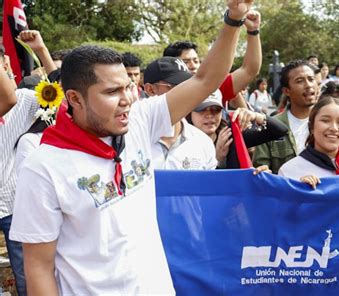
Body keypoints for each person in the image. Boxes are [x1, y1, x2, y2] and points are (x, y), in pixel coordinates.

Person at [9, 2, 253, 294]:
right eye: (112, 92)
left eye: (127, 86)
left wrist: (234, 19)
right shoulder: (42, 167)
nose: (127, 99)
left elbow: (205, 79)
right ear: (74, 98)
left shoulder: (140, 120)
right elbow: (38, 267)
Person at [254, 29, 339, 173]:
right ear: (286, 91)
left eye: (311, 79)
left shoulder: (336, 109)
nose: (308, 85)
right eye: (299, 81)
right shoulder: (271, 127)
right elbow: (261, 171)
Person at [0, 29, 56, 296]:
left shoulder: (24, 101)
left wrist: (42, 51)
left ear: (7, 66)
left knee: (26, 277)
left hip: (13, 205)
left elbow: (63, 95)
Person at [163, 10, 261, 110]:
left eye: (196, 61)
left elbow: (249, 70)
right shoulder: (161, 99)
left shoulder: (213, 87)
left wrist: (253, 31)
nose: (193, 66)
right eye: (186, 62)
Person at [143, 56, 217, 170]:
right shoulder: (131, 139)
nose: (186, 93)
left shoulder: (203, 142)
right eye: (178, 88)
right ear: (150, 90)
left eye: (188, 87)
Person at [187, 92, 288, 169]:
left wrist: (256, 115)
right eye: (201, 109)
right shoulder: (182, 140)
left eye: (215, 109)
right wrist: (217, 159)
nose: (209, 115)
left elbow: (280, 131)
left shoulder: (231, 135)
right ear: (190, 112)